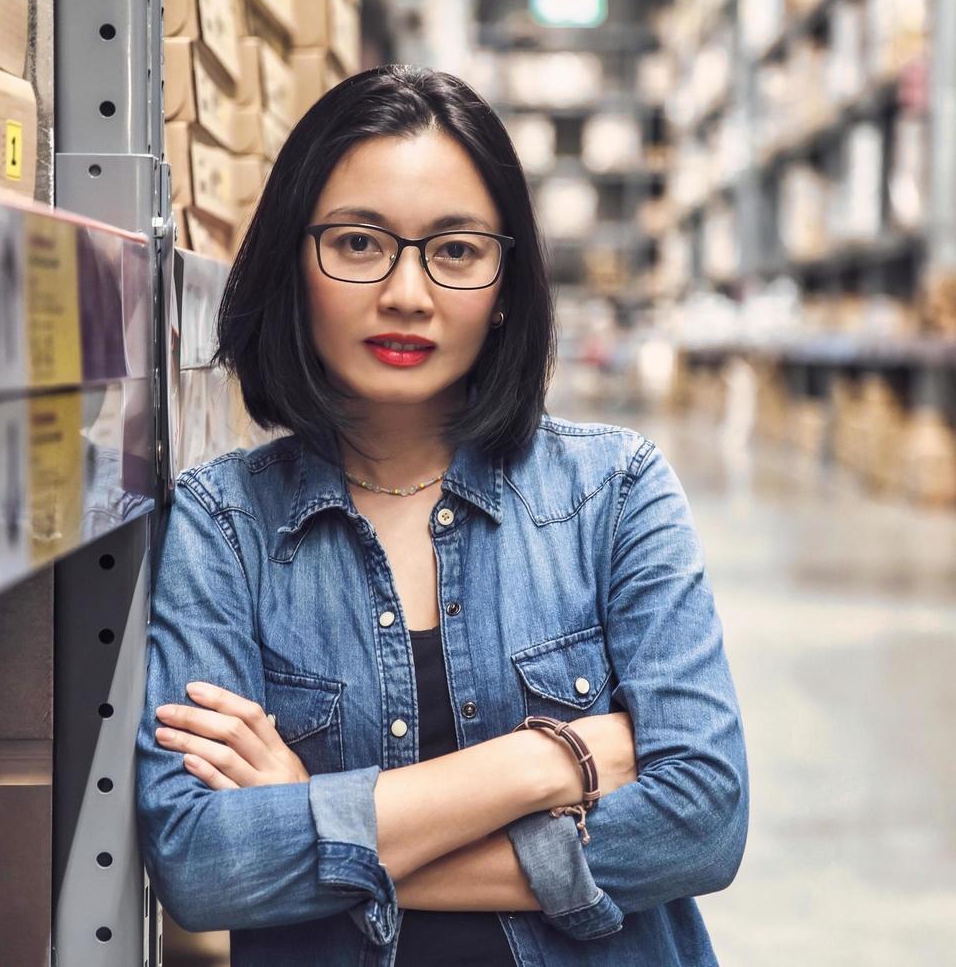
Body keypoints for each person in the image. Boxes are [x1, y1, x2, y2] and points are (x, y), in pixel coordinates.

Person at [136, 64, 748, 966]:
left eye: (455, 251)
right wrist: (544, 764)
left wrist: (321, 819)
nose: (408, 295)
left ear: (506, 287)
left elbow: (700, 824)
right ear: (291, 263)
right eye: (357, 243)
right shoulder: (224, 525)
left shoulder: (614, 493)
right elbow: (200, 864)